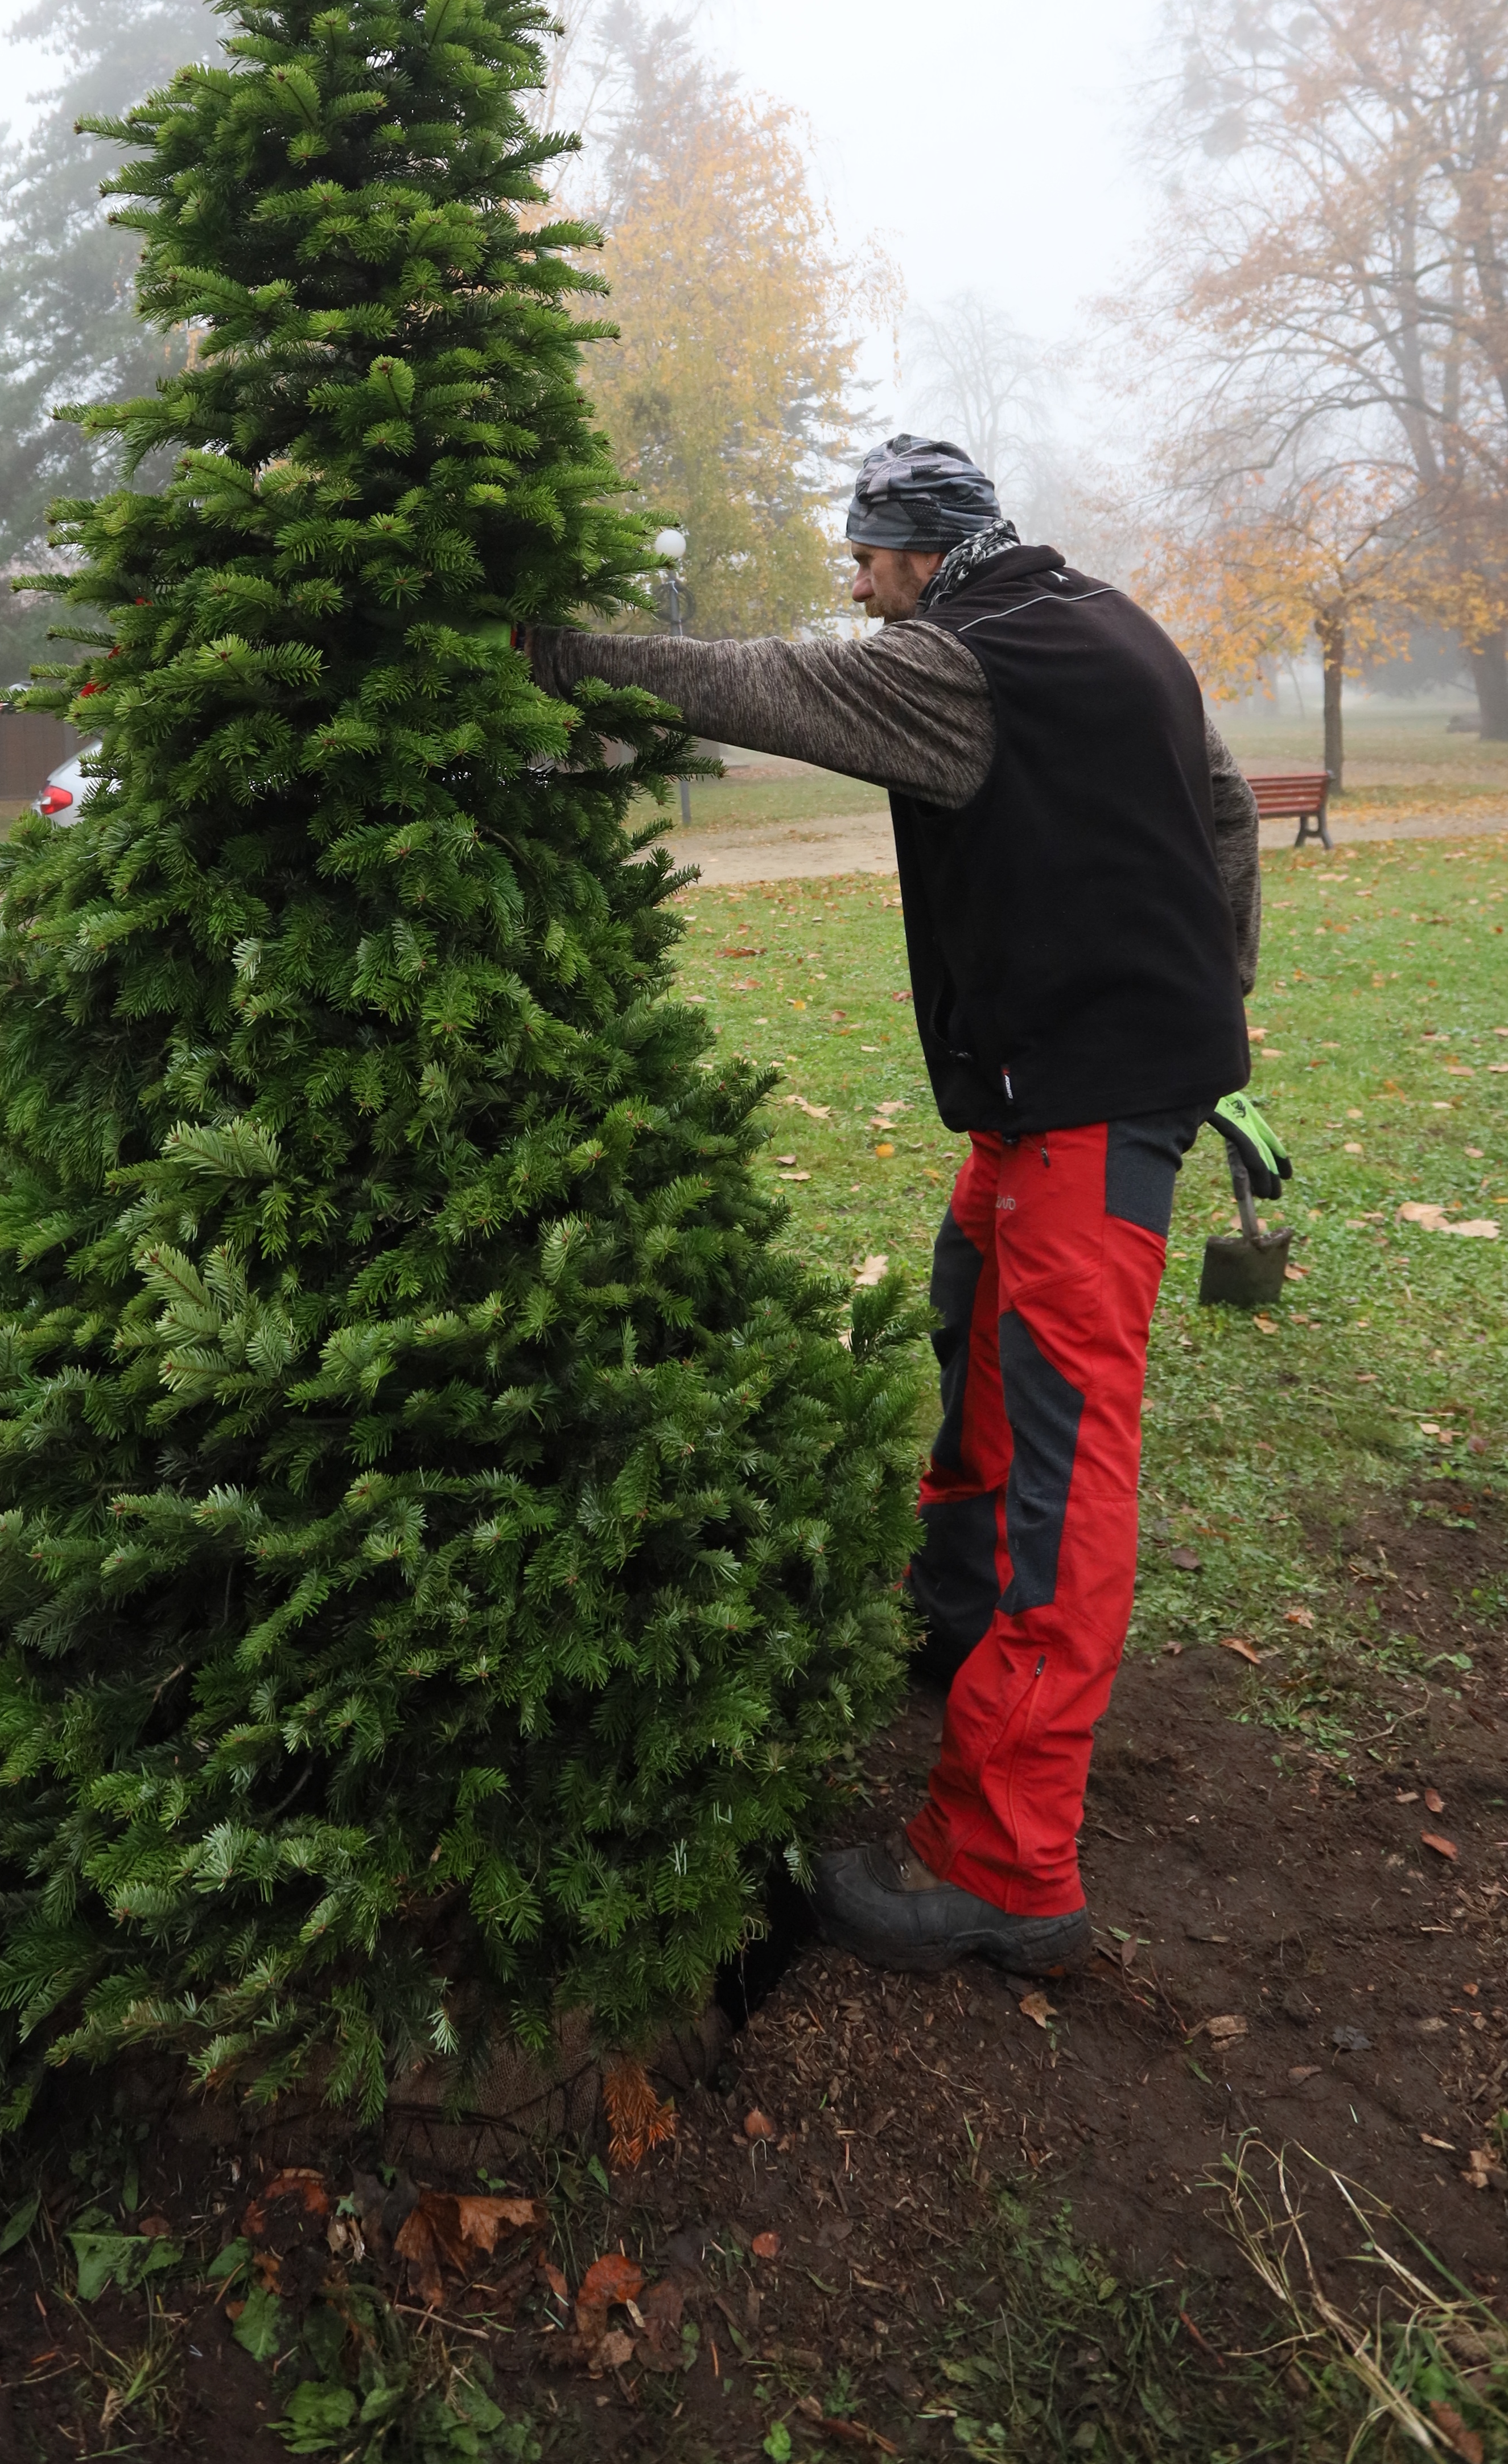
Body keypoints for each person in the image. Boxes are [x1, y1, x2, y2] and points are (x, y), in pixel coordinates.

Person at [531, 437, 1262, 1977]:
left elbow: (759, 688)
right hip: (1050, 1092)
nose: (853, 590)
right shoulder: (1114, 625)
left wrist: (550, 651)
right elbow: (1226, 814)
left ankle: (1002, 1865)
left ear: (920, 555)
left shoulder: (953, 668)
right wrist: (1209, 998)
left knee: (1066, 1461)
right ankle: (946, 1618)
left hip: (1085, 1104)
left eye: (864, 562)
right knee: (970, 1314)